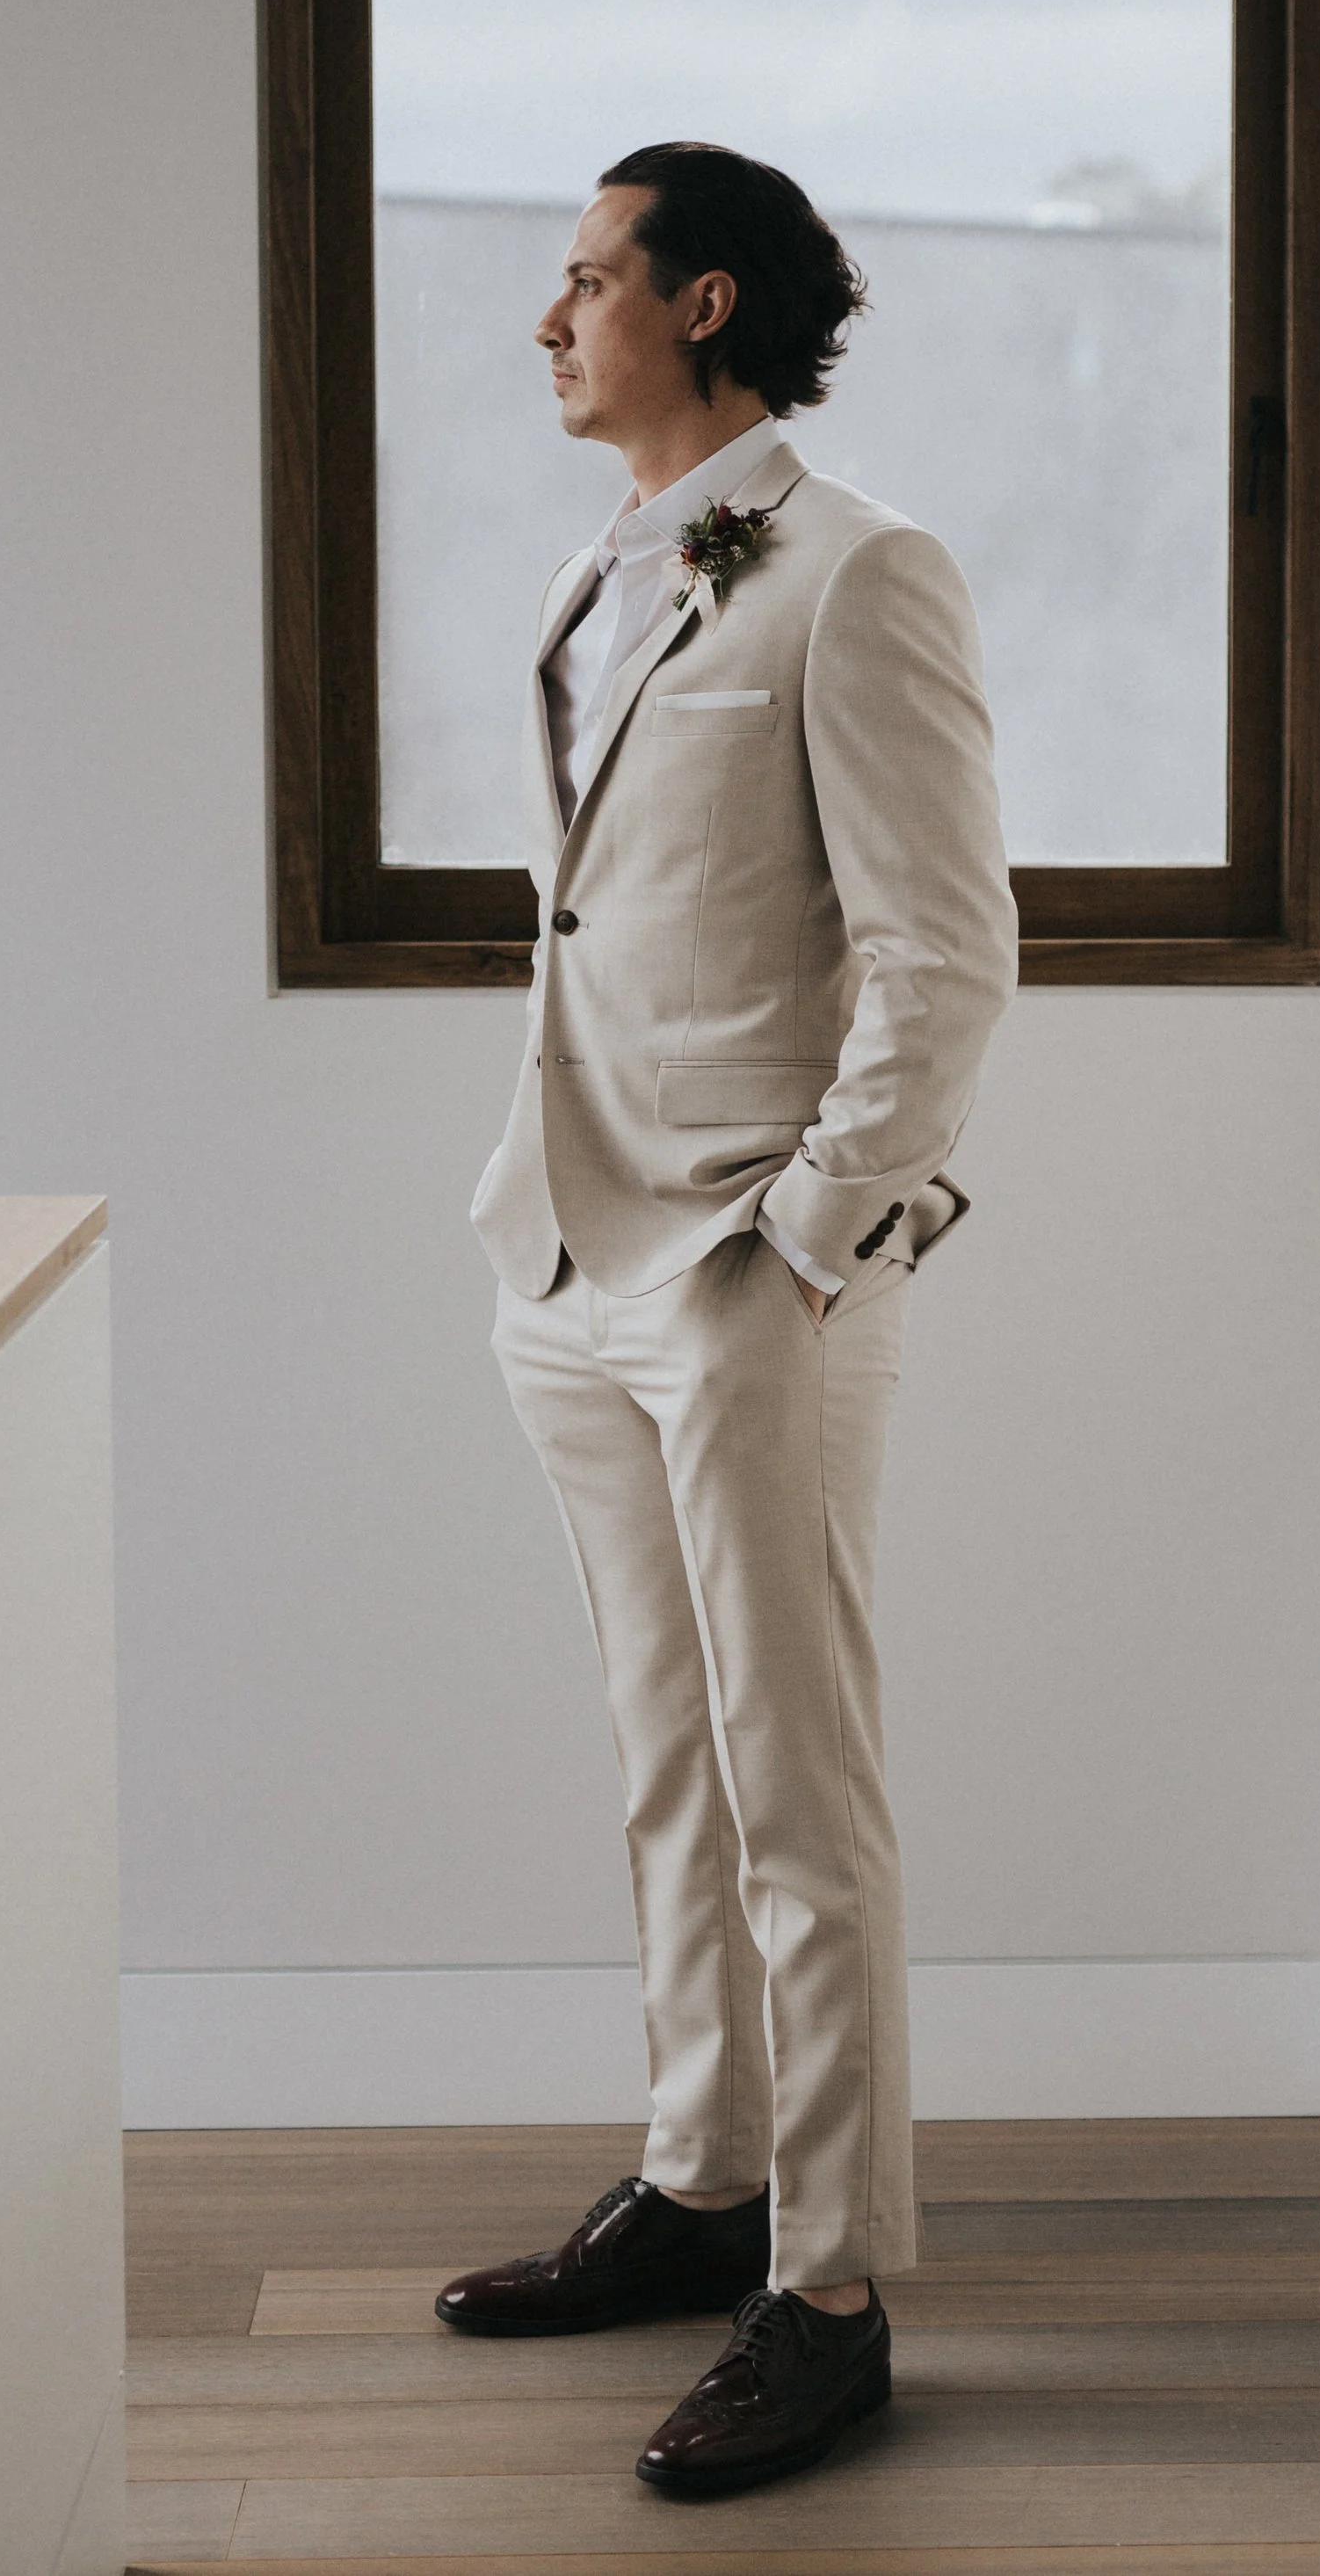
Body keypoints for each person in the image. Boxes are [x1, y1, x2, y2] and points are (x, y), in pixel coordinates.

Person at [446, 140, 1018, 2499]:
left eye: (582, 279)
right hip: (567, 1253)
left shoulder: (854, 571)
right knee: (664, 1751)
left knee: (800, 1783)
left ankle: (835, 2282)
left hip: (746, 1275)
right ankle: (702, 2184)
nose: (546, 316)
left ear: (698, 304)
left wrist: (802, 1227)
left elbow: (943, 947)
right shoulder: (610, 567)